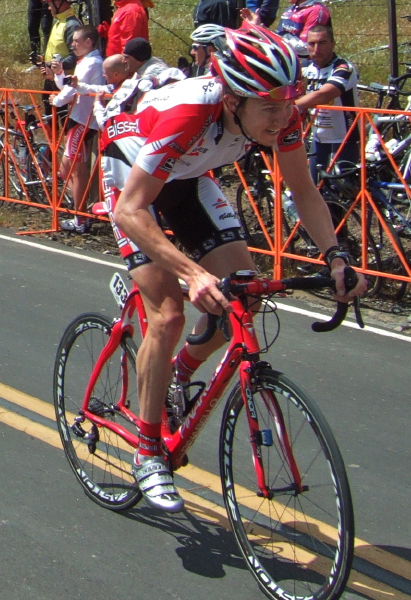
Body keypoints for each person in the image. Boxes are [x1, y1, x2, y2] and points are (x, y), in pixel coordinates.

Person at [98, 23, 365, 512]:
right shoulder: (190, 113)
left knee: (244, 293)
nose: (282, 115)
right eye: (268, 106)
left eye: (287, 101)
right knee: (169, 315)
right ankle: (147, 448)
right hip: (131, 177)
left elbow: (303, 191)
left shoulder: (280, 115)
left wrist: (336, 255)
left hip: (190, 176)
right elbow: (129, 210)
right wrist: (192, 274)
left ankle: (180, 372)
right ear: (232, 100)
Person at [51, 25, 103, 233]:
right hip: (76, 117)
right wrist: (59, 73)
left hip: (84, 120)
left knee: (77, 171)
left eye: (76, 41)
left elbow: (71, 91)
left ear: (89, 42)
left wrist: (57, 101)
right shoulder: (86, 62)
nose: (72, 44)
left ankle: (80, 218)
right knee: (66, 170)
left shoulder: (92, 63)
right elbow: (69, 86)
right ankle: (78, 209)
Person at [295, 25, 359, 181]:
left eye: (322, 43)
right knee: (315, 188)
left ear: (332, 44)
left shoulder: (344, 67)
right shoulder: (305, 67)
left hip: (344, 139)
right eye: (311, 43)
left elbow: (324, 94)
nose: (316, 49)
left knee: (343, 192)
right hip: (318, 138)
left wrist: (291, 107)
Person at [39, 0, 81, 117]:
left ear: (59, 3)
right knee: (49, 118)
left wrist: (52, 66)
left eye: (50, 4)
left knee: (63, 119)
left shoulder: (71, 25)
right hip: (52, 78)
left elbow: (75, 57)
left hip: (64, 82)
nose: (48, 8)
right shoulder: (59, 22)